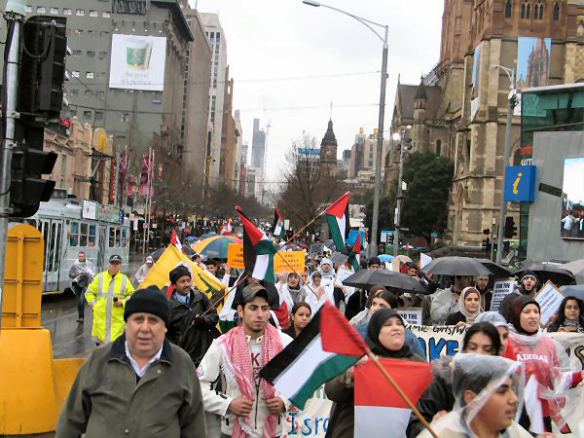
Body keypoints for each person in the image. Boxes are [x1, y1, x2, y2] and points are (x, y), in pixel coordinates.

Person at [56, 286, 206, 437]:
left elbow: (194, 426)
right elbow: (71, 421)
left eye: (153, 321)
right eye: (138, 319)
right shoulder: (99, 359)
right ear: (127, 324)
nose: (145, 328)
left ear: (165, 328)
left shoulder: (181, 363)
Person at [198, 284, 292, 438]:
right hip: (232, 432)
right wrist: (228, 404)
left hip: (274, 432)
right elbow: (199, 386)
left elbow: (302, 381)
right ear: (241, 311)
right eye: (253, 308)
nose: (260, 314)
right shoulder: (223, 345)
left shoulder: (284, 343)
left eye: (264, 308)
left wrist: (284, 401)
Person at [325, 309, 424, 438]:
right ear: (376, 331)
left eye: (399, 324)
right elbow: (332, 391)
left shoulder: (415, 363)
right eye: (388, 325)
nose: (395, 328)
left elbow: (427, 401)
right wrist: (351, 374)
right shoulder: (359, 357)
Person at [406, 322, 502, 438]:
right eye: (473, 347)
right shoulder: (444, 381)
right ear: (464, 350)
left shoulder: (504, 384)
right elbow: (415, 425)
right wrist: (434, 426)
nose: (479, 354)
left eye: (487, 349)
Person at [508, 295, 584, 434]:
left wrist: (579, 375)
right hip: (512, 415)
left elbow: (555, 378)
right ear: (516, 315)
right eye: (527, 312)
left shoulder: (549, 344)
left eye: (536, 312)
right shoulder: (506, 343)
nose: (533, 316)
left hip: (541, 415)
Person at [417, 354, 531, 438]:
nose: (514, 399)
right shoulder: (441, 434)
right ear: (471, 398)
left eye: (513, 389)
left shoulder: (516, 433)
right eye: (502, 391)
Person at [166, 265, 220, 366]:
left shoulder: (201, 297)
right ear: (174, 284)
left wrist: (203, 320)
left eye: (188, 280)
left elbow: (214, 317)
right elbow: (166, 334)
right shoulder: (168, 306)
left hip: (205, 354)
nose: (187, 284)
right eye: (182, 281)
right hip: (182, 359)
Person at [352, 287, 426, 360]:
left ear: (393, 310)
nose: (376, 308)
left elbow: (422, 367)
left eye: (382, 305)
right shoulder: (359, 332)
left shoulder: (408, 337)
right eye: (374, 304)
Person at [85, 255, 135, 344]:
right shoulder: (100, 277)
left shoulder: (124, 279)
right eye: (112, 263)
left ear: (120, 265)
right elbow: (89, 292)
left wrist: (122, 302)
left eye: (117, 263)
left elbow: (132, 296)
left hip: (116, 322)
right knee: (101, 349)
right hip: (100, 321)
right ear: (109, 264)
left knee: (113, 349)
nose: (114, 265)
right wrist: (94, 305)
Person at [68, 251, 96, 323]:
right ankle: (81, 317)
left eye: (82, 256)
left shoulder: (89, 264)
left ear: (85, 257)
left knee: (81, 301)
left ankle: (83, 318)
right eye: (80, 256)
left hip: (86, 284)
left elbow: (93, 273)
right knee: (78, 301)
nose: (81, 257)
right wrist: (78, 274)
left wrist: (87, 274)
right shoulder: (75, 265)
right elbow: (71, 274)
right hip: (77, 285)